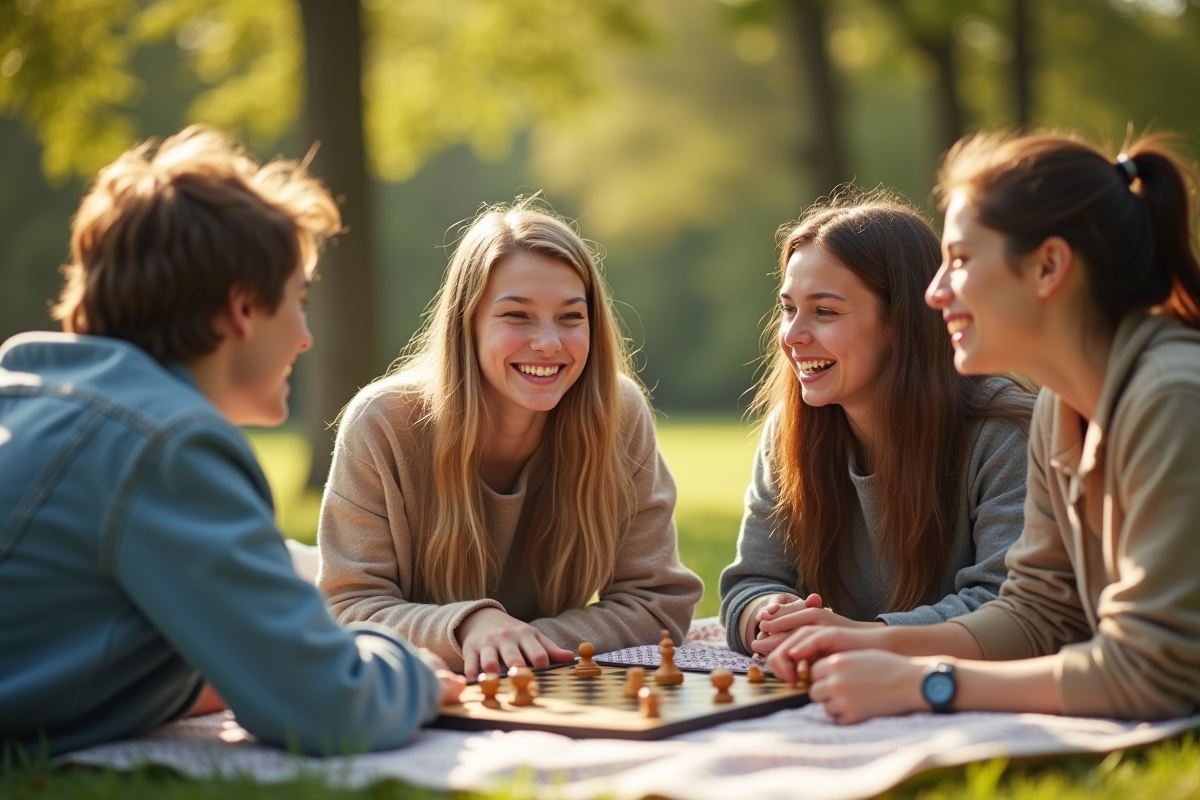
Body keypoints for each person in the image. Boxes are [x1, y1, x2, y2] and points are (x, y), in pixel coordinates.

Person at [0, 126, 463, 758]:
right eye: (298, 299)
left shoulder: (36, 399)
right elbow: (327, 705)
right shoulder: (168, 445)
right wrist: (407, 669)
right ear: (243, 308)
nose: (304, 336)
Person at [768, 131, 1200, 723]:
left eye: (962, 261)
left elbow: (1157, 671)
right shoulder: (1061, 405)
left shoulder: (1171, 398)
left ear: (1049, 266)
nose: (935, 291)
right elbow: (1040, 614)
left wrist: (928, 683)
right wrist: (866, 642)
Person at [317, 199, 703, 679]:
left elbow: (657, 603)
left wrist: (520, 644)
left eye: (570, 316)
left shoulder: (618, 414)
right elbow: (347, 610)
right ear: (468, 324)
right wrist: (469, 627)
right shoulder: (383, 424)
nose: (548, 342)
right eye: (517, 316)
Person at [719, 194, 1034, 659]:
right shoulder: (790, 431)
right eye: (789, 309)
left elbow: (1007, 609)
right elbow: (751, 580)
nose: (792, 335)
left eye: (824, 311)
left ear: (901, 323)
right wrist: (772, 614)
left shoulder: (1002, 433)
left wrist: (855, 635)